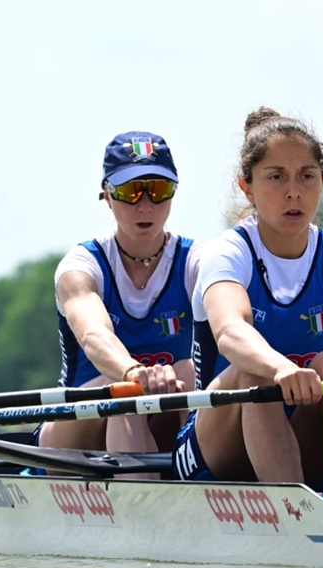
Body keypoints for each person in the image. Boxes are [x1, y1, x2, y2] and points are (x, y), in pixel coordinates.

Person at [172, 107, 323, 488]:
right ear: (246, 186)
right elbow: (231, 331)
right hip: (215, 448)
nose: (294, 191)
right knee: (258, 371)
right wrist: (281, 368)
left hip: (298, 431)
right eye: (276, 177)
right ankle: (291, 511)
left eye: (306, 176)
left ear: (322, 181)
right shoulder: (227, 253)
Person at [38, 131, 196, 479]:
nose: (144, 205)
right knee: (127, 389)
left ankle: (210, 488)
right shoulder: (81, 266)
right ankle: (142, 505)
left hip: (165, 413)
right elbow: (94, 334)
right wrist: (132, 372)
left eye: (157, 190)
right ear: (107, 195)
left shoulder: (197, 261)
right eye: (129, 191)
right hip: (74, 432)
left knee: (186, 371)